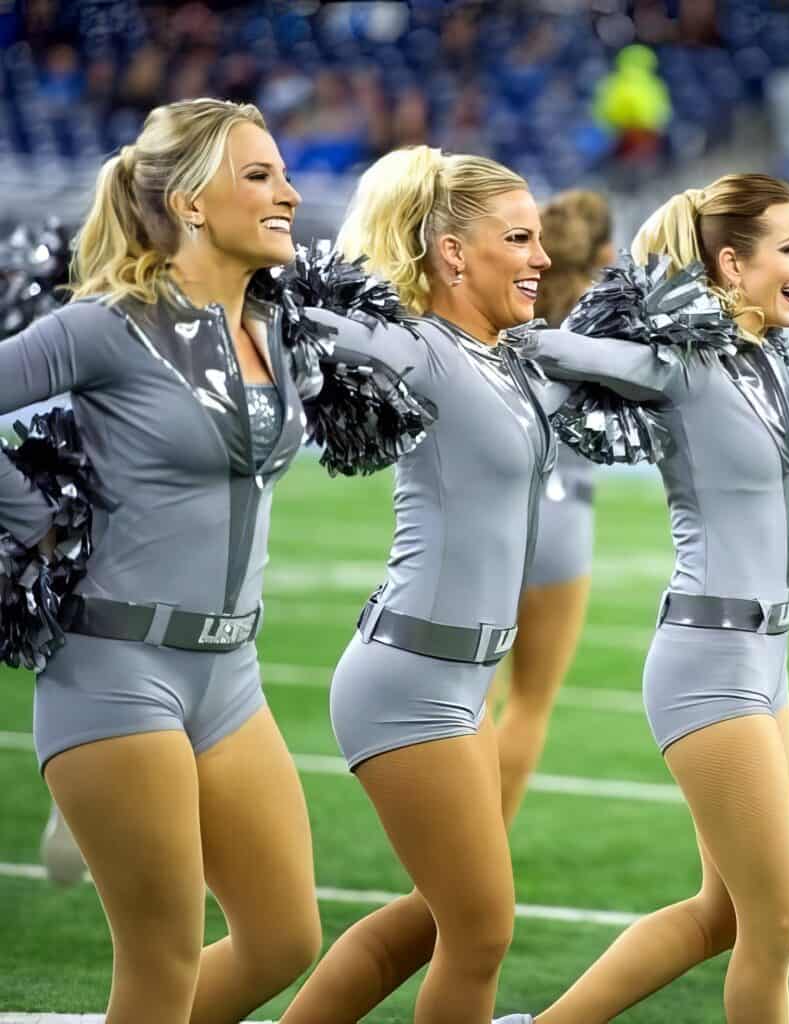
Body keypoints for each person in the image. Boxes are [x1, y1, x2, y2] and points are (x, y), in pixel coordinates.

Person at [0, 98, 425, 1024]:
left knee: (283, 939)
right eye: (260, 176)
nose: (290, 194)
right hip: (117, 671)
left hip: (230, 676)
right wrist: (36, 522)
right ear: (190, 203)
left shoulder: (275, 326)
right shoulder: (108, 324)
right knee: (160, 967)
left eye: (284, 175)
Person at [495, 175, 789, 1024]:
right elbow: (550, 348)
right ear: (733, 264)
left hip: (767, 666)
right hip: (708, 667)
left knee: (723, 916)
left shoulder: (782, 360)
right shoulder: (679, 369)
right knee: (776, 922)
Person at [276, 144, 561, 1024]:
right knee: (480, 932)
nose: (542, 256)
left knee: (430, 923)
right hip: (409, 682)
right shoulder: (419, 346)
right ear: (453, 254)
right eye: (519, 238)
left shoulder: (503, 356)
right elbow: (284, 317)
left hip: (461, 683)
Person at [493, 189, 614, 824]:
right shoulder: (609, 321)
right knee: (530, 704)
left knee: (463, 702)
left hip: (491, 510)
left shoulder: (504, 303)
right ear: (606, 254)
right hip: (565, 513)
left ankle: (452, 856)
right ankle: (486, 850)